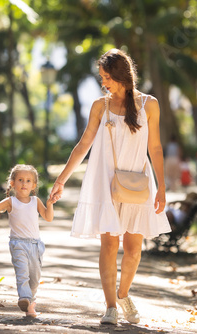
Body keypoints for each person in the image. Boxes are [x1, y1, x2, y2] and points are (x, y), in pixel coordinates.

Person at [49, 49, 171, 325]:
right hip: (106, 182)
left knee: (133, 249)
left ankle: (123, 294)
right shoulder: (99, 106)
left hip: (138, 183)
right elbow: (83, 146)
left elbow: (156, 147)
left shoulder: (149, 104)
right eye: (102, 78)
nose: (104, 83)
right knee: (108, 244)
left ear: (122, 76)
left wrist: (162, 186)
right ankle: (111, 307)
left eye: (108, 78)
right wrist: (61, 181)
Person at [0, 164, 54, 318]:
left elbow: (48, 217)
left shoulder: (35, 201)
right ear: (12, 183)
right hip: (18, 244)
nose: (24, 183)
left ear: (34, 185)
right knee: (22, 274)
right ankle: (24, 298)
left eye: (28, 180)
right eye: (20, 180)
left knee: (34, 280)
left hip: (35, 245)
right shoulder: (11, 201)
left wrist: (49, 204)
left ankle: (30, 304)